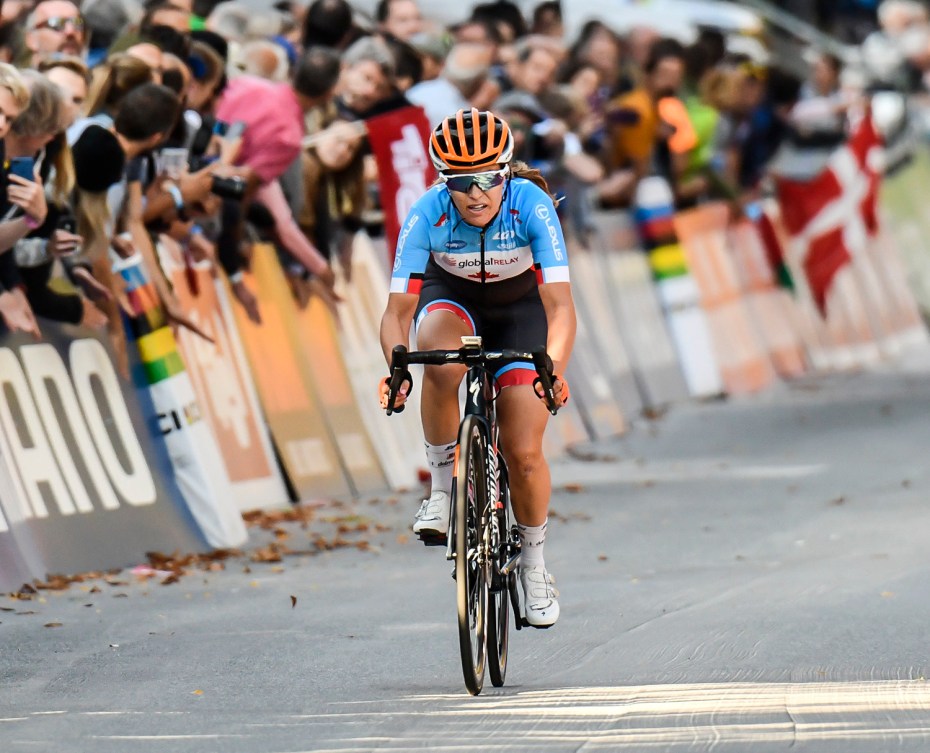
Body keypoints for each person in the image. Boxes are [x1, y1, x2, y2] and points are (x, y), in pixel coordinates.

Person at [378, 108, 575, 628]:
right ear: (445, 181)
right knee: (437, 361)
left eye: (489, 178)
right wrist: (397, 371)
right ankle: (443, 492)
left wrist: (552, 369)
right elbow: (397, 312)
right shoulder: (426, 214)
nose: (477, 193)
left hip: (520, 312)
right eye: (462, 182)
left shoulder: (531, 205)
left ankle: (534, 564)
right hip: (455, 301)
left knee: (524, 453)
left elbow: (559, 306)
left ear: (506, 172)